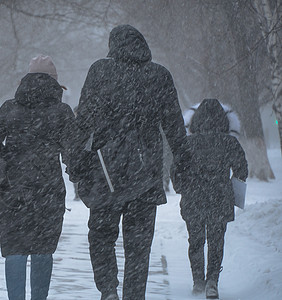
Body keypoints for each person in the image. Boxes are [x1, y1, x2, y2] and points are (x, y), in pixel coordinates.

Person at [73, 25, 191, 300]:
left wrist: (76, 161)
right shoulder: (159, 75)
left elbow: (84, 122)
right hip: (145, 173)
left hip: (106, 172)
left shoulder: (100, 71)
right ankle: (133, 295)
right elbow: (174, 126)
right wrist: (182, 162)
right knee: (139, 247)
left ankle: (108, 290)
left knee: (101, 236)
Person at [0, 55, 76, 300]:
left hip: (11, 188)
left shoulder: (10, 108)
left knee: (14, 248)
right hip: (49, 189)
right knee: (43, 249)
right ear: (55, 83)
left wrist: (7, 159)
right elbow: (72, 149)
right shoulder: (62, 112)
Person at [177, 98, 248, 299]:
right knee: (216, 241)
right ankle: (212, 282)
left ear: (196, 121)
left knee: (196, 241)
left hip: (193, 198)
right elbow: (242, 169)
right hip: (220, 197)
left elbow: (176, 170)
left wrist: (183, 188)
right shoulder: (229, 142)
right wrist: (233, 185)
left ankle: (198, 281)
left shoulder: (187, 143)